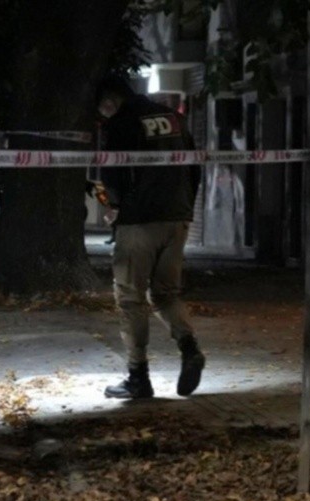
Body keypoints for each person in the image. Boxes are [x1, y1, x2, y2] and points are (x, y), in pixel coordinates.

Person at [95, 75, 205, 399]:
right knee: (166, 294)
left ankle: (137, 376)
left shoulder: (121, 123)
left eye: (101, 110)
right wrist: (185, 209)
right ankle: (190, 348)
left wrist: (115, 207)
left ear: (110, 101)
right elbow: (194, 168)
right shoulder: (175, 119)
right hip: (178, 218)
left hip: (139, 221)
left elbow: (112, 174)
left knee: (130, 298)